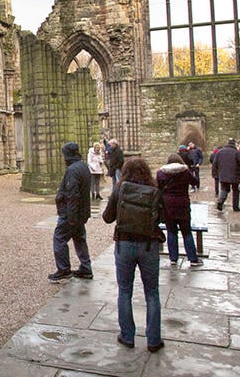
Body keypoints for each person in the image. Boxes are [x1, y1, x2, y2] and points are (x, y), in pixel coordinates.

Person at [102, 157, 166, 353]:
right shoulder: (155, 191)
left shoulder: (120, 189)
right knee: (152, 293)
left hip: (125, 245)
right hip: (148, 245)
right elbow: (163, 217)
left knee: (124, 291)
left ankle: (127, 336)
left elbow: (107, 218)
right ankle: (153, 340)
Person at [49, 142, 93, 282]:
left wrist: (71, 217)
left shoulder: (73, 170)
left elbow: (73, 194)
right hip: (81, 212)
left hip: (71, 214)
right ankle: (86, 268)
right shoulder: (83, 166)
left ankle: (63, 269)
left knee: (59, 238)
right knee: (79, 238)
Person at [156, 154, 202, 267]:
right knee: (186, 232)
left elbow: (157, 188)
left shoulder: (161, 173)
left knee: (171, 232)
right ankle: (193, 259)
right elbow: (195, 182)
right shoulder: (185, 172)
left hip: (168, 205)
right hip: (182, 204)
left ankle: (173, 258)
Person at [213, 139, 240, 212]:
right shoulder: (236, 152)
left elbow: (215, 163)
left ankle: (220, 201)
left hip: (223, 174)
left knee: (224, 189)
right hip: (235, 174)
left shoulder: (220, 152)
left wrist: (216, 173)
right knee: (235, 190)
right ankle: (235, 206)